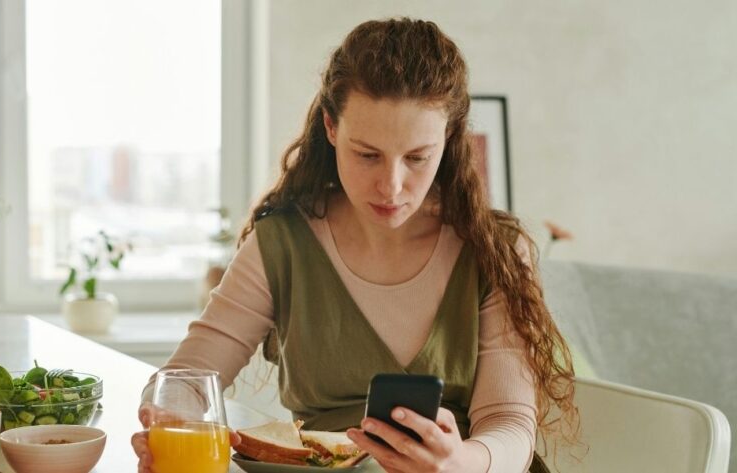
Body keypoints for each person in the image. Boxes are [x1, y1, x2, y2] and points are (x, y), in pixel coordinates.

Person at [132, 17, 577, 473]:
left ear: (448, 138)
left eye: (418, 158)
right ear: (330, 126)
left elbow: (509, 425)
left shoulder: (494, 250)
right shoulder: (282, 243)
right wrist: (169, 418)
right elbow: (186, 378)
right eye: (367, 155)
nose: (392, 185)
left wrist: (462, 461)